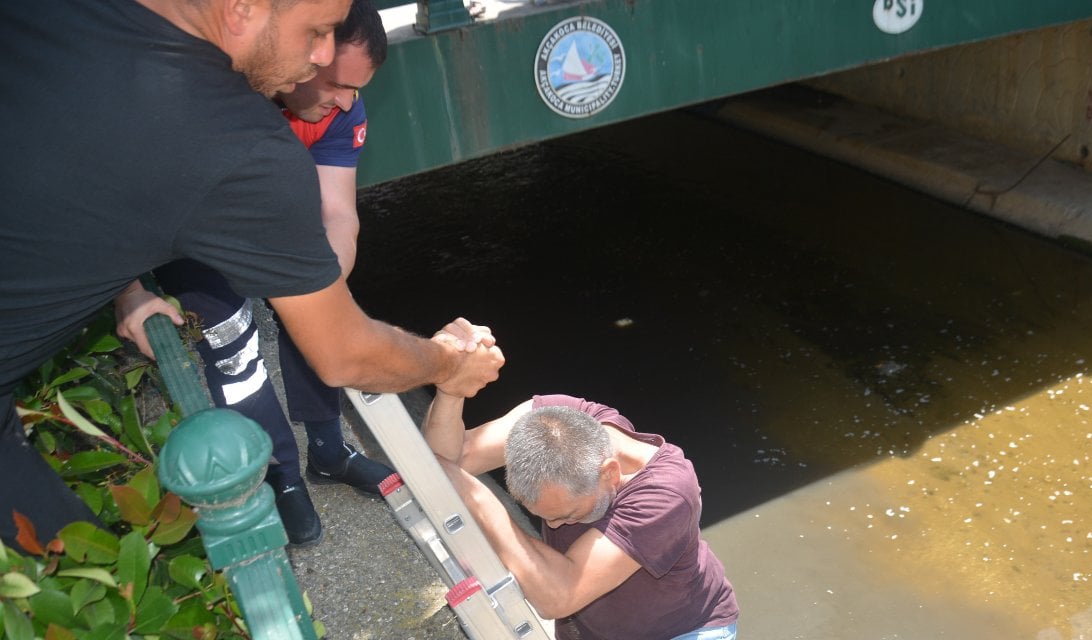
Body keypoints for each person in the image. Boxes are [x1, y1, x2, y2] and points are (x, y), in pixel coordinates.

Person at [0, 0, 503, 551]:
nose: (323, 57)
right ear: (244, 9)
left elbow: (91, 178)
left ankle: (326, 451)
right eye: (317, 32)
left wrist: (130, 290)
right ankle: (279, 473)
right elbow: (346, 354)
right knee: (92, 585)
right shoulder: (239, 141)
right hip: (199, 250)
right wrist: (449, 364)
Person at [114, 0, 392, 547]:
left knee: (316, 309)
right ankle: (280, 474)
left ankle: (328, 450)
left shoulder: (339, 112)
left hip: (269, 221)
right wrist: (129, 290)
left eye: (357, 90)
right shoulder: (216, 99)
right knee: (233, 347)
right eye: (335, 83)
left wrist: (322, 293)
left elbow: (337, 213)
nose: (346, 102)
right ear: (307, 53)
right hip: (195, 232)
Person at [422, 392, 740, 639]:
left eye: (569, 514)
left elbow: (559, 597)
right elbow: (445, 460)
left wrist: (481, 501)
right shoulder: (553, 422)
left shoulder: (668, 494)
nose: (556, 525)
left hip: (681, 630)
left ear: (610, 474)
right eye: (545, 517)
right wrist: (452, 391)